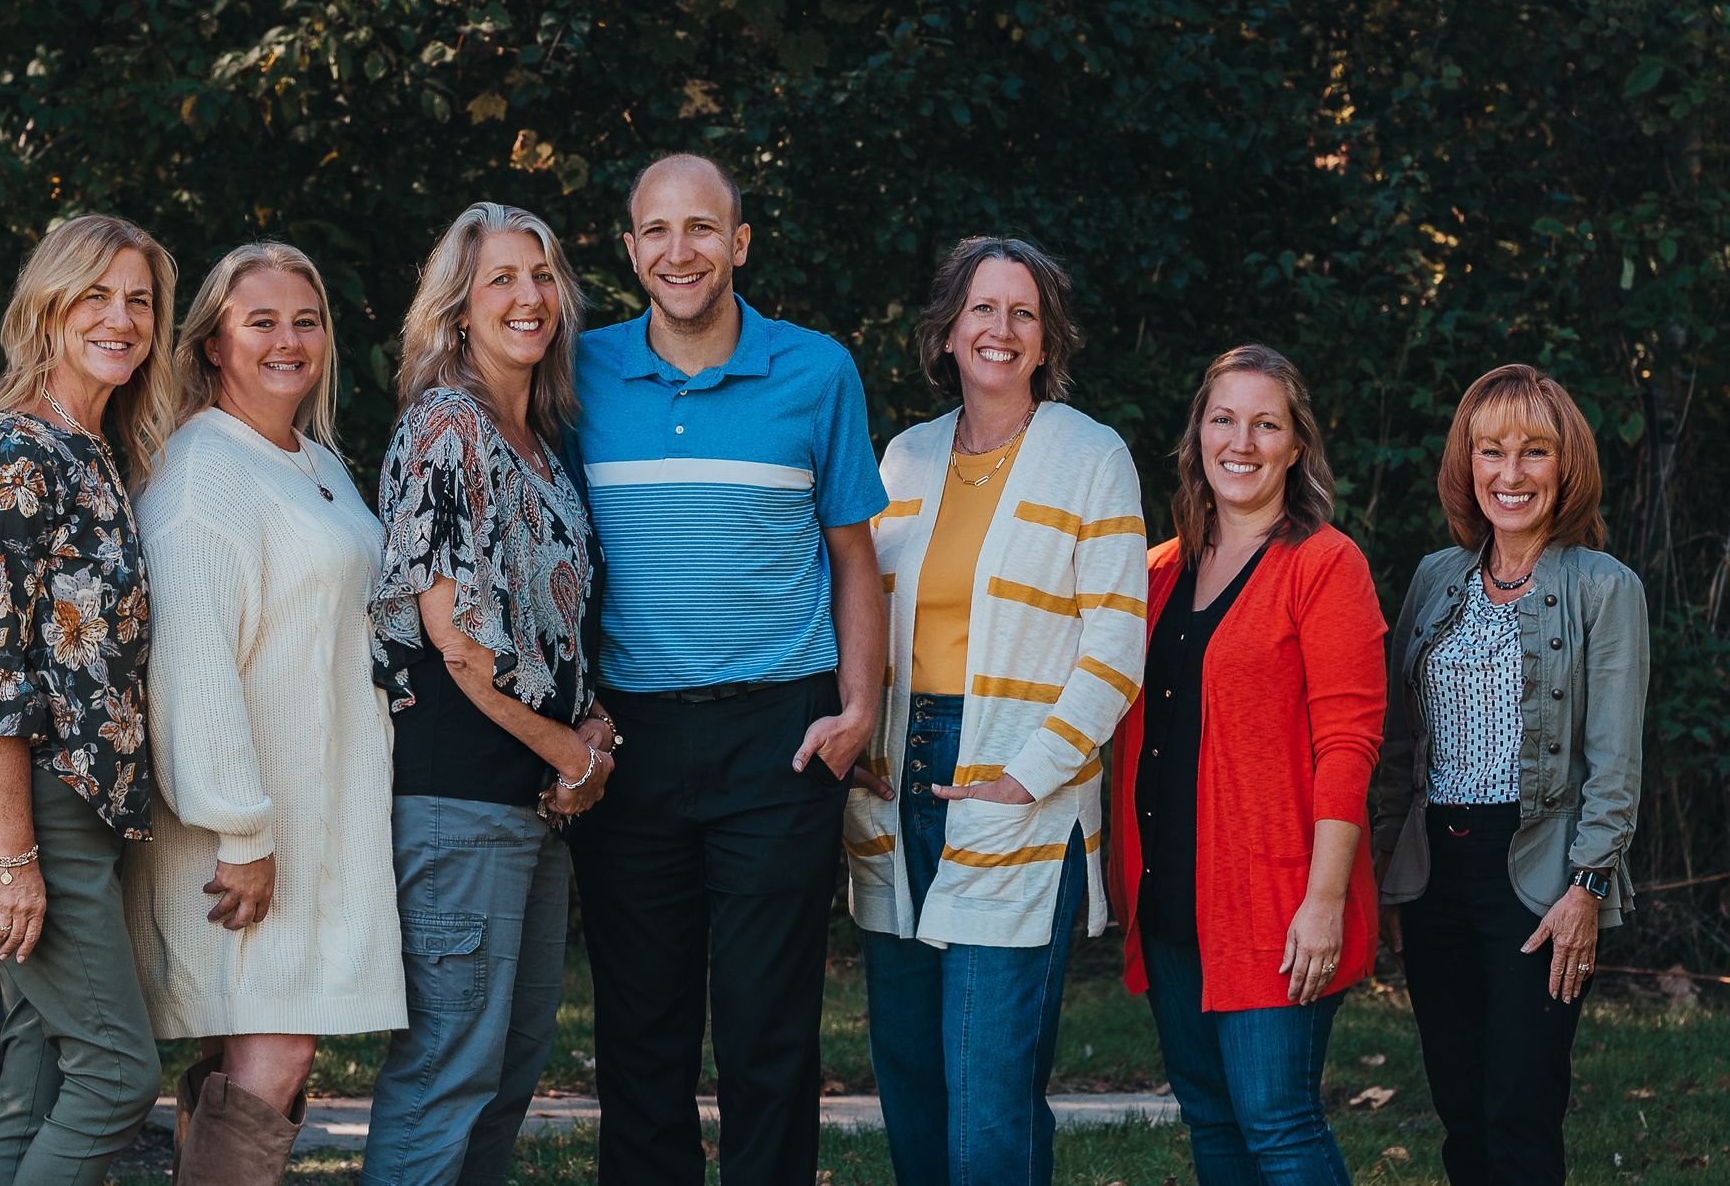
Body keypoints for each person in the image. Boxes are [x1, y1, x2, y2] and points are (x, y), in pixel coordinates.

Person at [566, 153, 888, 1185]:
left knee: (768, 1034)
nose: (680, 251)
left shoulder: (816, 371)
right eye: (657, 231)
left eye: (702, 228)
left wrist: (859, 709)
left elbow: (854, 555)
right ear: (630, 251)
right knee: (641, 1037)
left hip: (778, 740)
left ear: (739, 243)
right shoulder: (582, 374)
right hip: (633, 744)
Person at [845, 235, 1147, 1184]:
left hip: (1016, 791)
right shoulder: (906, 458)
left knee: (988, 1105)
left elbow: (1116, 646)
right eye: (983, 308)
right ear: (948, 328)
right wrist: (863, 734)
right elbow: (866, 618)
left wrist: (1030, 772)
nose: (1002, 329)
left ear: (1049, 339)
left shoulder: (1091, 456)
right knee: (912, 1086)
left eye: (1024, 312)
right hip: (897, 794)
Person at [122, 242, 405, 1183]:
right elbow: (191, 661)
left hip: (315, 819)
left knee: (264, 1064)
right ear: (211, 343)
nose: (290, 340)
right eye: (262, 322)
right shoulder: (203, 471)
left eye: (307, 319)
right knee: (269, 1058)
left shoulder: (311, 458)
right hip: (243, 834)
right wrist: (240, 829)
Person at [0, 213, 174, 1185]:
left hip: (76, 804)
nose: (121, 316)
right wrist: (15, 852)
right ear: (49, 306)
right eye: (96, 295)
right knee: (116, 1070)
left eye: (139, 299)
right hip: (29, 798)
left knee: (35, 1073)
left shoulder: (93, 451)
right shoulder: (13, 455)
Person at [360, 203, 611, 1185]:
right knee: (445, 1076)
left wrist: (582, 736)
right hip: (457, 797)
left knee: (505, 1075)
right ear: (458, 306)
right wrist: (567, 752)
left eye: (541, 274)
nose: (528, 296)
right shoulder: (448, 423)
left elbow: (556, 629)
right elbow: (456, 639)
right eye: (502, 277)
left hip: (531, 800)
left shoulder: (542, 437)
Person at [1108, 343, 1386, 1184]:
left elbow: (1350, 743)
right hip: (1171, 904)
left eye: (1267, 424)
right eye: (1224, 420)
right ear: (1197, 435)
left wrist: (1324, 901)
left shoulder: (1324, 564)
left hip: (1275, 906)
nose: (1242, 441)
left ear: (1296, 444)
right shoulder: (1158, 571)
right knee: (1213, 1128)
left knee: (1279, 1126)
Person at [1374, 364, 1648, 1185]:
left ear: (1566, 466)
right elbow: (1397, 742)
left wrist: (1588, 888)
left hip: (1541, 874)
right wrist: (1393, 864)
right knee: (1460, 1111)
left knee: (1519, 1108)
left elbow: (1616, 756)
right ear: (1468, 464)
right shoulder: (1434, 577)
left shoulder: (1605, 587)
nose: (1511, 473)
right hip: (1435, 874)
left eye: (1534, 451)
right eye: (1491, 451)